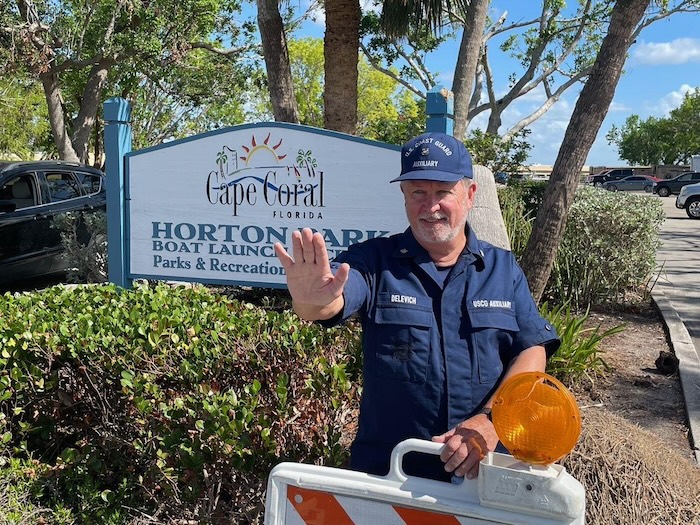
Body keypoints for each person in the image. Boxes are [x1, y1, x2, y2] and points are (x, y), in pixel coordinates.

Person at [273, 132, 560, 482]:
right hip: (393, 474)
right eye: (418, 193)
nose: (431, 206)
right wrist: (311, 300)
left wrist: (491, 421)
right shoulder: (374, 261)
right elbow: (330, 302)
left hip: (485, 474)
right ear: (404, 196)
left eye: (443, 192)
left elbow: (532, 348)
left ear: (469, 195)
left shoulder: (502, 269)